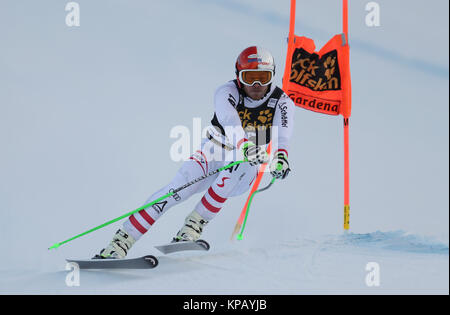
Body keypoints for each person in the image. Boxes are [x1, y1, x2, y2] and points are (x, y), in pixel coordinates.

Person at [96, 46, 295, 259]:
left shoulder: (281, 102)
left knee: (244, 161)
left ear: (272, 76)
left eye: (263, 78)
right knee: (177, 190)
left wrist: (281, 158)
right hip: (213, 150)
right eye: (250, 77)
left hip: (242, 169)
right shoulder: (226, 92)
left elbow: (282, 136)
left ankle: (191, 228)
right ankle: (120, 243)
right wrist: (246, 144)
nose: (257, 85)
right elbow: (230, 121)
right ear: (238, 77)